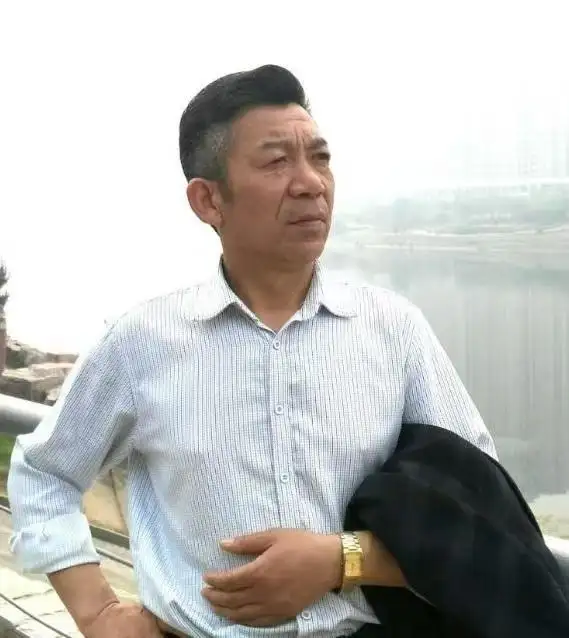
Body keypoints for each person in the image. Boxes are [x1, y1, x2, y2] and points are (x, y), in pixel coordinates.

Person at [8, 64, 496, 638]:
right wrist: (99, 613)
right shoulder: (143, 341)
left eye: (319, 158)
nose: (310, 183)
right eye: (276, 162)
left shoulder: (394, 331)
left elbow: (479, 508)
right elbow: (44, 473)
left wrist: (342, 558)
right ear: (208, 200)